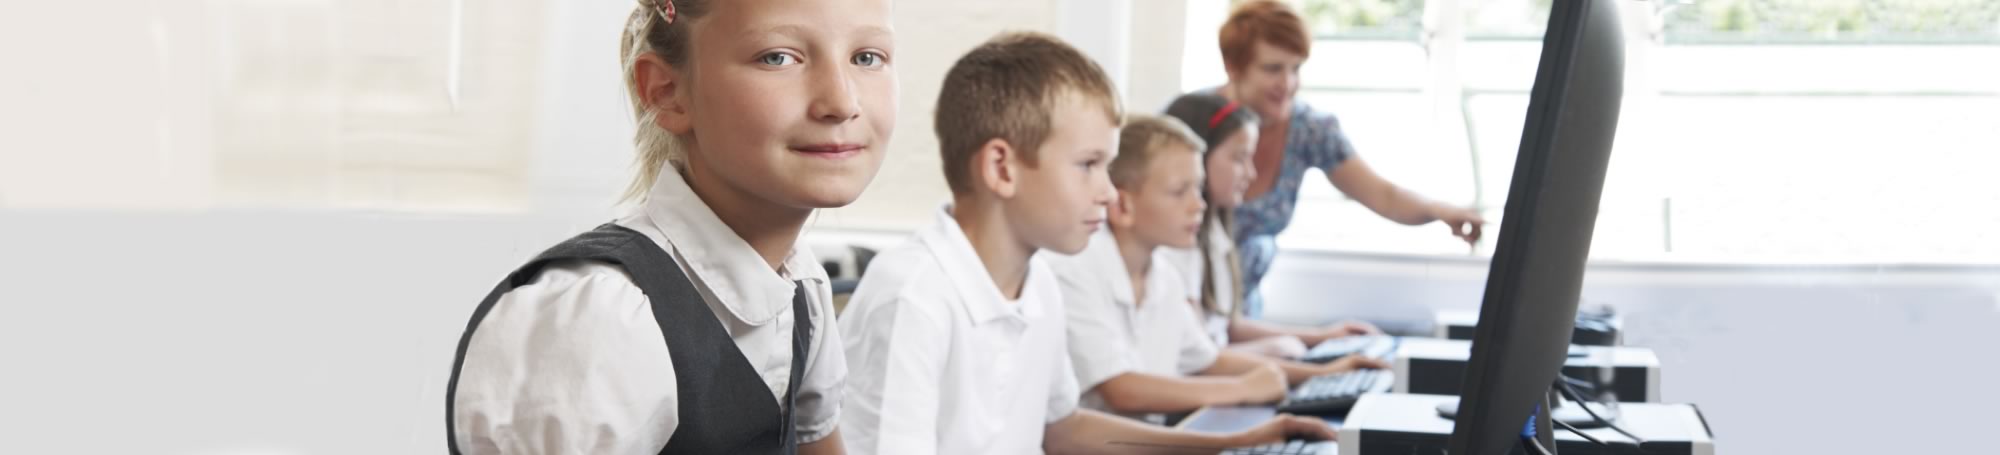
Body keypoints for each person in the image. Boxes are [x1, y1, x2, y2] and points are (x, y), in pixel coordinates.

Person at [838, 32, 1333, 455]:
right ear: (1002, 168)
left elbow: (1063, 429)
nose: (1109, 192)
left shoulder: (1038, 285)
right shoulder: (914, 297)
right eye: (1089, 164)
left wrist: (1233, 441)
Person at [445, 0, 897, 452]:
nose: (841, 102)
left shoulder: (804, 291)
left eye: (866, 58)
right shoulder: (600, 320)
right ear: (666, 91)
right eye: (777, 57)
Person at [1051, 114, 1388, 422]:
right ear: (1123, 205)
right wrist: (1242, 389)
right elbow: (1122, 388)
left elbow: (1207, 360)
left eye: (1198, 189)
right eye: (1179, 191)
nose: (1198, 204)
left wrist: (1327, 374)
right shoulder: (1077, 269)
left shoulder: (1163, 276)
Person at [1207, 0, 1487, 324]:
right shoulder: (1193, 120)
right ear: (1233, 66)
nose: (1287, 84)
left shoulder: (1310, 129)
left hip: (1243, 318)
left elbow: (1384, 196)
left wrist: (1438, 211)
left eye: (1295, 68)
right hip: (1186, 311)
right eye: (1272, 69)